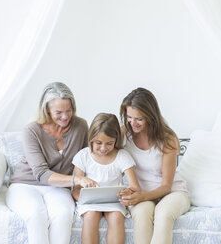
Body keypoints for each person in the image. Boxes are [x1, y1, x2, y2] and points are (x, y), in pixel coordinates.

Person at [6, 82, 98, 244]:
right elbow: (41, 174)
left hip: (58, 187)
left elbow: (86, 159)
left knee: (63, 213)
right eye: (58, 112)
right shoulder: (31, 130)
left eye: (68, 110)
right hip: (25, 185)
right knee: (35, 215)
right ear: (46, 109)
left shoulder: (81, 126)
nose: (65, 116)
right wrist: (76, 180)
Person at [118, 87, 190, 244]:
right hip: (141, 194)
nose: (133, 123)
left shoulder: (167, 138)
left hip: (173, 192)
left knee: (163, 214)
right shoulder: (125, 134)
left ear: (150, 116)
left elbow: (166, 186)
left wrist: (141, 196)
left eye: (139, 119)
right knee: (142, 215)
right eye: (129, 117)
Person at [71, 113, 140, 244]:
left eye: (109, 143)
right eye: (98, 143)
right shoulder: (83, 156)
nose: (103, 148)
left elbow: (135, 187)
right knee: (90, 217)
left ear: (116, 140)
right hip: (89, 203)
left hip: (114, 202)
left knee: (116, 219)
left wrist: (128, 193)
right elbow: (75, 189)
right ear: (91, 138)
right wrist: (84, 198)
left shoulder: (122, 156)